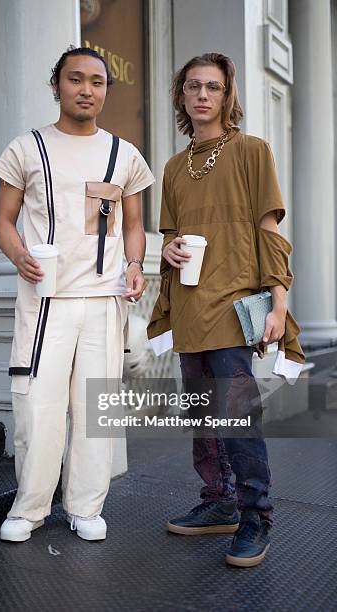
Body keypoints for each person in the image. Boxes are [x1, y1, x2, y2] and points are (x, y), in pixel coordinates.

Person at [147, 53, 304, 567]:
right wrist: (167, 250)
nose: (202, 95)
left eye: (212, 87)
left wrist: (279, 304)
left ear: (227, 94)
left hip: (236, 306)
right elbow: (171, 236)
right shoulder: (172, 167)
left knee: (236, 413)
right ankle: (218, 503)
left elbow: (270, 234)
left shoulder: (253, 152)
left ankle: (255, 514)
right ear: (181, 96)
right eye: (193, 86)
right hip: (191, 306)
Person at [0, 46, 154, 543]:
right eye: (75, 79)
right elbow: (2, 221)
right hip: (45, 303)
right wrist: (19, 254)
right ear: (57, 85)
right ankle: (30, 508)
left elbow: (134, 226)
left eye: (97, 82)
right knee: (38, 409)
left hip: (104, 302)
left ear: (106, 90)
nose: (86, 90)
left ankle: (85, 506)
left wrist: (134, 265)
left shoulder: (122, 154)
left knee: (95, 412)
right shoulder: (27, 148)